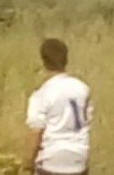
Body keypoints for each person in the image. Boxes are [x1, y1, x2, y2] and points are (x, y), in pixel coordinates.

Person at [25, 38, 93, 175]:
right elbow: (87, 122)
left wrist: (27, 163)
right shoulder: (83, 89)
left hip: (51, 160)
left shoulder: (41, 94)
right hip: (78, 159)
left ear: (43, 61)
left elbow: (36, 133)